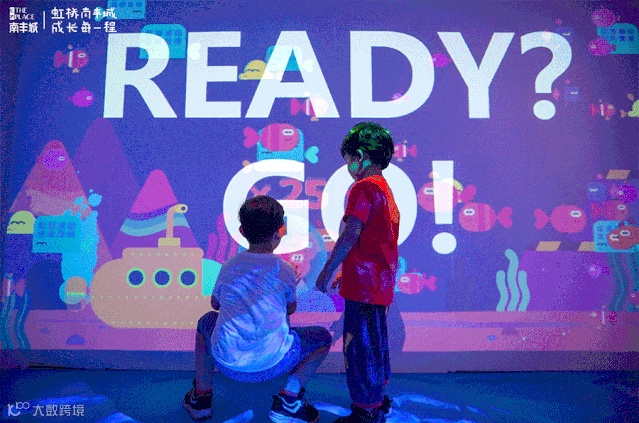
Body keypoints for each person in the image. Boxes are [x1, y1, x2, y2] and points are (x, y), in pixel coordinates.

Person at [183, 196, 332, 423]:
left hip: (226, 363)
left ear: (242, 231)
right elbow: (290, 309)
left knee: (206, 321)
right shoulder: (284, 269)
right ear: (279, 232)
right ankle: (289, 399)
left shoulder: (229, 266)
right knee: (322, 338)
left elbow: (215, 305)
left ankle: (201, 398)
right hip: (274, 364)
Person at [316, 122, 400, 423]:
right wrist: (346, 269)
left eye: (349, 160)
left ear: (360, 156)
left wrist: (327, 271)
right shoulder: (385, 190)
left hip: (364, 286)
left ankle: (365, 410)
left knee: (359, 347)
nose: (349, 168)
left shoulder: (363, 188)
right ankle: (376, 398)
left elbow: (351, 234)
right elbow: (375, 241)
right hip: (379, 283)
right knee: (375, 341)